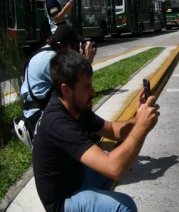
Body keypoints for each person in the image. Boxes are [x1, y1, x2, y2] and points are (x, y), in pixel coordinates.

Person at [33, 49, 159, 212]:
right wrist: (142, 127)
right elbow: (115, 168)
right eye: (86, 87)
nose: (93, 91)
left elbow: (113, 130)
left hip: (77, 181)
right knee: (123, 206)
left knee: (105, 160)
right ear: (66, 89)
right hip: (63, 203)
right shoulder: (58, 122)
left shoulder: (72, 105)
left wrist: (138, 116)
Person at [15, 25, 96, 149]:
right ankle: (86, 136)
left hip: (32, 114)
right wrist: (86, 63)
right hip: (39, 120)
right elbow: (77, 86)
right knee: (78, 99)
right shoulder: (52, 59)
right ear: (69, 46)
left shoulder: (43, 52)